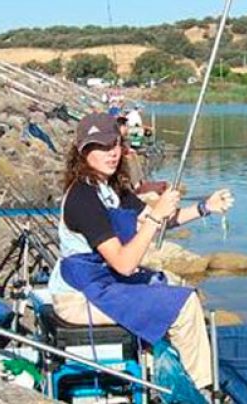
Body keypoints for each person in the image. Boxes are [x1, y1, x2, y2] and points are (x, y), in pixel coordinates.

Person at [47, 113, 234, 392]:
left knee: (169, 280)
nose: (109, 153)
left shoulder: (111, 189)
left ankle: (165, 372)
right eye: (98, 147)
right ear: (82, 151)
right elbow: (124, 263)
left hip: (103, 282)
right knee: (184, 305)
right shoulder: (83, 199)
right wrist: (155, 216)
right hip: (79, 296)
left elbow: (162, 221)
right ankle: (199, 390)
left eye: (113, 145)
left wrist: (205, 207)